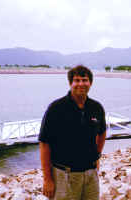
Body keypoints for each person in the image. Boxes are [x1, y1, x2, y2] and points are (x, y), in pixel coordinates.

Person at [39, 65, 106, 200]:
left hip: (90, 174)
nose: (81, 84)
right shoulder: (56, 108)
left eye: (84, 80)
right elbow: (44, 143)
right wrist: (47, 179)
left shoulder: (96, 107)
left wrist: (97, 155)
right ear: (70, 83)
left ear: (90, 83)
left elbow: (102, 132)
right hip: (64, 174)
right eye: (77, 80)